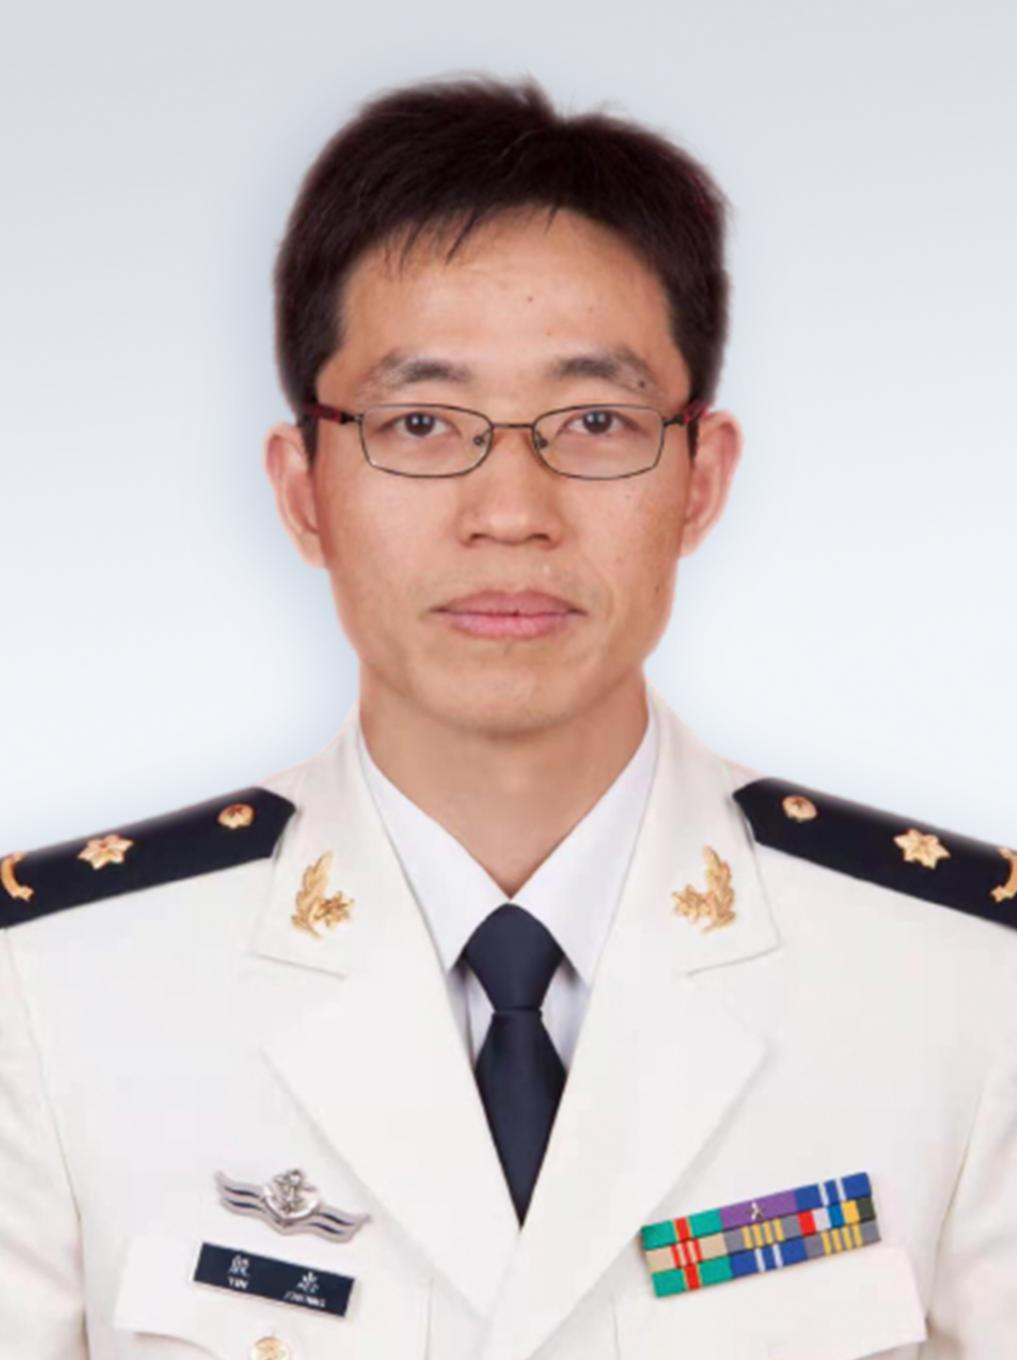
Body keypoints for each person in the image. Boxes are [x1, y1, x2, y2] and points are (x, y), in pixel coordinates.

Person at [1, 73, 1014, 1360]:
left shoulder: (965, 983)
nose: (512, 512)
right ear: (303, 489)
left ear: (700, 479)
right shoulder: (51, 994)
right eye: (422, 422)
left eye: (595, 421)